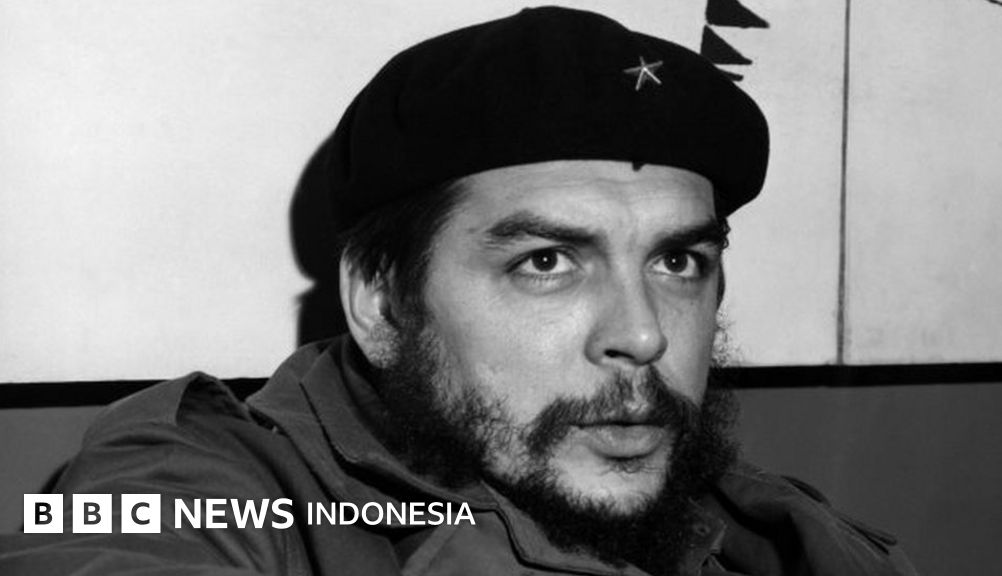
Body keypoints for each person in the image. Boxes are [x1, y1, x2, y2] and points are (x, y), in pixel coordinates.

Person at [0, 6, 917, 576]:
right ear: (382, 303)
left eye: (678, 262)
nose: (643, 336)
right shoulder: (196, 482)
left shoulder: (762, 521)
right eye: (546, 262)